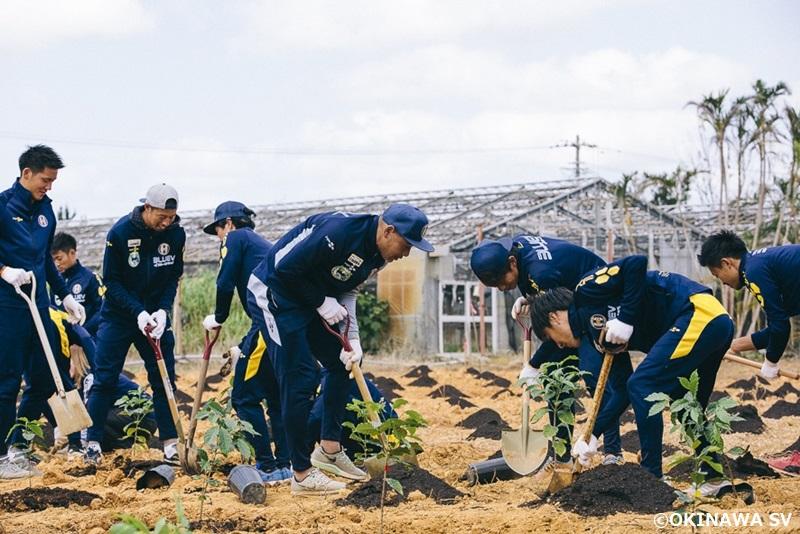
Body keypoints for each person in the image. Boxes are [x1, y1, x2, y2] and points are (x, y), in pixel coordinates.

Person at [248, 203, 433, 495]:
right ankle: (301, 474)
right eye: (407, 244)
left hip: (307, 298)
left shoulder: (378, 256)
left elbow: (348, 290)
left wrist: (353, 339)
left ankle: (330, 449)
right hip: (273, 294)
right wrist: (321, 302)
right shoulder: (337, 233)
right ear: (388, 231)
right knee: (300, 378)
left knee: (340, 364)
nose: (406, 253)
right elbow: (284, 269)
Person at [529, 255, 734, 495]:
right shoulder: (597, 338)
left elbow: (635, 263)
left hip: (698, 313)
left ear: (554, 317)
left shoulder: (586, 290)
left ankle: (651, 478)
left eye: (551, 338)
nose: (560, 346)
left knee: (644, 384)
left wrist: (625, 319)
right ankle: (713, 479)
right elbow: (624, 392)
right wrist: (592, 436)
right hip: (709, 326)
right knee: (685, 403)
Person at [470, 235, 625, 469]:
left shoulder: (541, 273)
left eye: (502, 281)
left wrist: (534, 364)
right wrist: (531, 297)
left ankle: (613, 453)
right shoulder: (520, 251)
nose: (502, 288)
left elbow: (557, 328)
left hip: (600, 303)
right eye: (495, 286)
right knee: (557, 380)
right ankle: (561, 456)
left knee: (597, 379)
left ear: (512, 263)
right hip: (572, 302)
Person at [83, 184, 185, 465]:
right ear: (147, 208)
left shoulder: (176, 233)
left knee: (164, 380)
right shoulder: (121, 233)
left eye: (172, 217)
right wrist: (137, 312)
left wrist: (162, 311)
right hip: (119, 315)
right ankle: (92, 441)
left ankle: (170, 443)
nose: (167, 222)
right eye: (162, 216)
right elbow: (111, 282)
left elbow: (172, 276)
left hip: (155, 318)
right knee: (104, 378)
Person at [0, 145, 85, 479]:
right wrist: (4, 271)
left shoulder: (47, 212)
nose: (49, 186)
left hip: (41, 306)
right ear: (26, 174)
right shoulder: (3, 207)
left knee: (48, 377)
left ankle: (25, 447)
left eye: (52, 181)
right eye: (45, 180)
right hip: (8, 306)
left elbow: (46, 261)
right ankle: (2, 458)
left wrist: (65, 296)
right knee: (7, 382)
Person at [201, 201, 291, 485]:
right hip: (283, 326)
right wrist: (243, 344)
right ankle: (286, 466)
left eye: (217, 229)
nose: (218, 236)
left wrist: (218, 317)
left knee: (243, 395)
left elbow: (224, 282)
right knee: (276, 397)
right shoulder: (259, 244)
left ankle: (267, 465)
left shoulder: (236, 237)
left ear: (227, 223)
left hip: (268, 323)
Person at [698, 230, 800, 473]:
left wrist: (771, 362)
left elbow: (779, 326)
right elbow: (776, 327)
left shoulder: (752, 270)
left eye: (717, 274)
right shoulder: (763, 263)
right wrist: (731, 345)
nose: (721, 281)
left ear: (727, 263)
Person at [307, 368, 396, 461]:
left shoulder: (335, 381)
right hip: (349, 441)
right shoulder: (318, 379)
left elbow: (315, 419)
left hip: (367, 444)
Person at [50, 232, 105, 336]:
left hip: (89, 338)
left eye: (59, 258)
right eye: (53, 260)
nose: (56, 264)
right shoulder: (55, 283)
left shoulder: (91, 278)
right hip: (63, 341)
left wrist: (81, 336)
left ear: (72, 253)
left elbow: (102, 312)